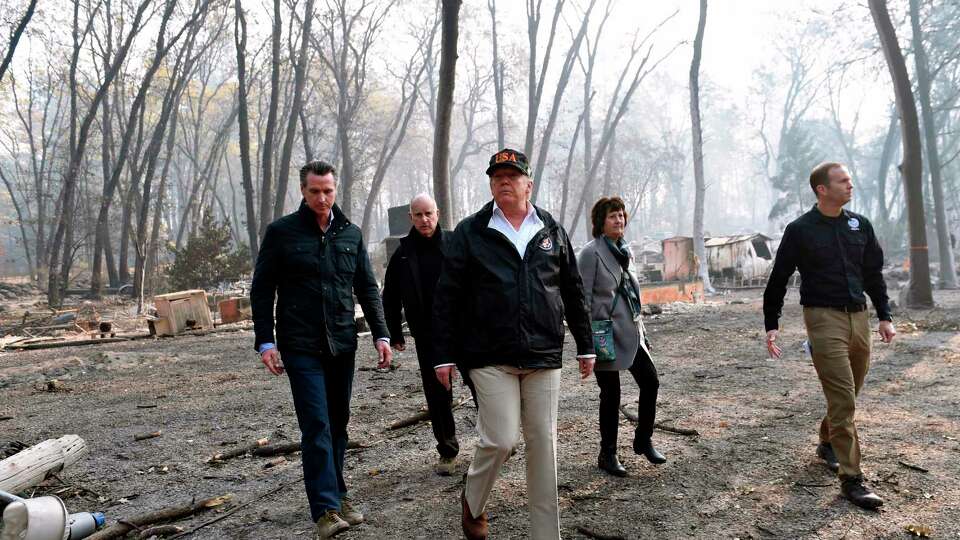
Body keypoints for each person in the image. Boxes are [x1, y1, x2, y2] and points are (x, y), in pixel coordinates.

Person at [432, 148, 595, 540]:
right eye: (497, 176)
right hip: (489, 354)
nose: (504, 181)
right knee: (501, 439)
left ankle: (545, 535)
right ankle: (473, 501)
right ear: (491, 183)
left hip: (543, 353)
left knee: (544, 447)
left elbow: (572, 290)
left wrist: (585, 345)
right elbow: (447, 296)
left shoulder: (551, 230)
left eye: (512, 175)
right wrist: (442, 355)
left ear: (528, 184)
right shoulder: (472, 232)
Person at [250, 160, 393, 539]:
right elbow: (263, 289)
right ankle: (325, 510)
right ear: (303, 190)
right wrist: (266, 340)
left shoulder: (350, 233)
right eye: (314, 191)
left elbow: (366, 287)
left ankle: (339, 493)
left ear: (336, 190)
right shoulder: (281, 233)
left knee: (339, 424)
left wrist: (381, 334)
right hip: (300, 346)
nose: (322, 197)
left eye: (328, 191)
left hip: (342, 343)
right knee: (316, 425)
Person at [763, 161, 895, 510]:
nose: (850, 185)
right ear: (822, 189)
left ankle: (827, 441)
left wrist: (885, 315)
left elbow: (873, 273)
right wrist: (771, 322)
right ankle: (853, 480)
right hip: (823, 318)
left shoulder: (860, 225)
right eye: (842, 180)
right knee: (843, 399)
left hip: (859, 317)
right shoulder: (801, 229)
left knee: (850, 392)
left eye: (850, 179)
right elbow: (779, 277)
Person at [577, 197, 665, 478]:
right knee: (611, 395)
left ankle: (643, 439)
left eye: (622, 216)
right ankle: (608, 453)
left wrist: (643, 332)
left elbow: (632, 295)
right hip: (604, 333)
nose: (619, 221)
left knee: (650, 381)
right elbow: (583, 300)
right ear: (601, 221)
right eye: (613, 216)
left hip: (632, 330)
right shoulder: (590, 253)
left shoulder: (626, 250)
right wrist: (586, 342)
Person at [381, 193, 461, 476]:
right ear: (411, 218)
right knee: (438, 396)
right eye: (419, 215)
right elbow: (389, 297)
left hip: (464, 329)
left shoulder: (455, 244)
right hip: (428, 335)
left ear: (438, 213)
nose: (425, 220)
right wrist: (393, 333)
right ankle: (448, 451)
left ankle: (495, 440)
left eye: (429, 214)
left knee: (482, 385)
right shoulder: (403, 254)